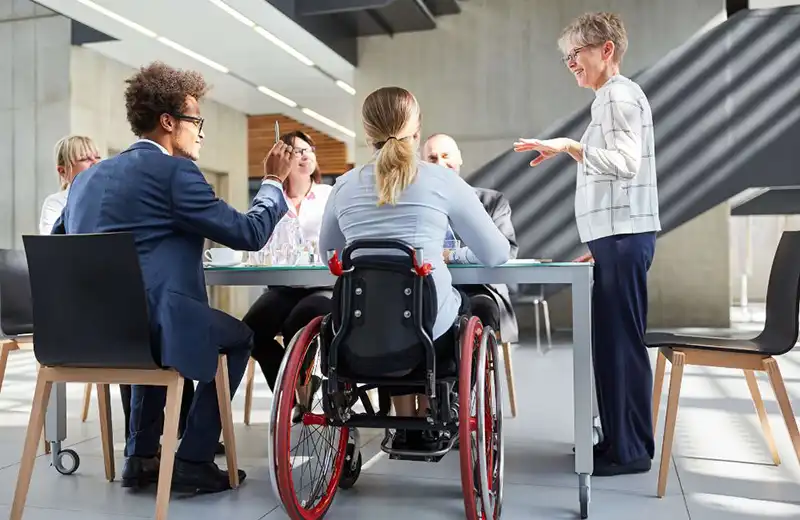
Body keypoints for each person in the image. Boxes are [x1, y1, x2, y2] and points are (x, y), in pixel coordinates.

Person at [52, 61, 298, 493]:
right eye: (195, 120)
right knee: (241, 337)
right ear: (168, 122)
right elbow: (249, 233)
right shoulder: (175, 173)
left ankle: (141, 457)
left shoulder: (85, 181)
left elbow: (60, 246)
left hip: (87, 335)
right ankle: (194, 457)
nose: (201, 132)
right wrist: (274, 183)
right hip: (153, 329)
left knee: (151, 329)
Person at [319, 86, 510, 449]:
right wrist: (446, 253)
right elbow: (497, 253)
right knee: (473, 308)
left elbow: (330, 254)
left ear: (367, 132)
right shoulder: (442, 180)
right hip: (428, 333)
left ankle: (406, 418)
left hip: (358, 333)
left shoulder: (343, 186)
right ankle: (438, 407)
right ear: (417, 130)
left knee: (391, 307)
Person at [513, 12, 660, 476]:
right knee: (611, 343)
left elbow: (625, 163)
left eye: (574, 54)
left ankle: (630, 451)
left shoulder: (616, 95)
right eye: (567, 58)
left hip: (624, 239)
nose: (571, 64)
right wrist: (600, 242)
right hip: (615, 239)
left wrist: (568, 147)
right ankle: (617, 441)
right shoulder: (613, 97)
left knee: (621, 345)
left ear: (605, 50)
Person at [243, 130, 333, 419]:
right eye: (296, 151)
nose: (305, 155)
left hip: (321, 285)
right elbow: (257, 244)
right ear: (282, 159)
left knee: (298, 323)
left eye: (309, 150)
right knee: (249, 334)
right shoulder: (270, 199)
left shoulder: (328, 196)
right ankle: (289, 392)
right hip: (281, 287)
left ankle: (300, 391)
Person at [421, 133, 519, 344]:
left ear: (459, 158)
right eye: (433, 158)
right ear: (423, 165)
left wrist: (451, 255)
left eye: (446, 156)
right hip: (430, 288)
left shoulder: (492, 202)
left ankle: (468, 375)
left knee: (480, 309)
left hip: (480, 289)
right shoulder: (418, 207)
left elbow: (508, 251)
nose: (440, 163)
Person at [39, 136, 101, 235]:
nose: (96, 163)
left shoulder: (109, 196)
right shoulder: (55, 203)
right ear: (63, 171)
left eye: (98, 157)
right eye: (85, 159)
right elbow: (51, 245)